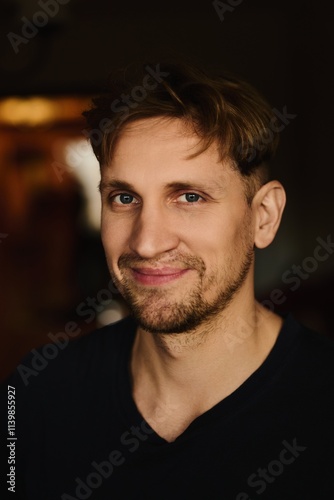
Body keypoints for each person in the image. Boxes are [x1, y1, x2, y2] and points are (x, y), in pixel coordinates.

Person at [1, 61, 334, 500]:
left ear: (263, 216)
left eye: (189, 197)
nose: (147, 242)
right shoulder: (32, 394)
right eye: (124, 198)